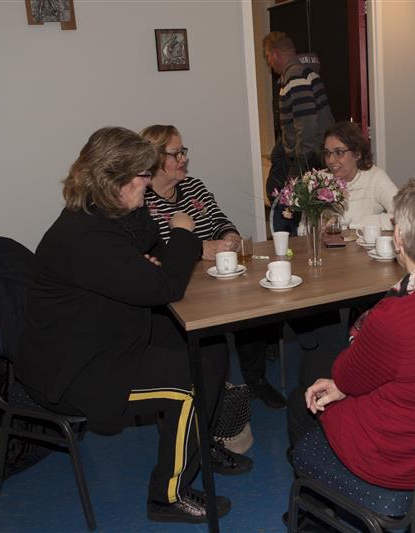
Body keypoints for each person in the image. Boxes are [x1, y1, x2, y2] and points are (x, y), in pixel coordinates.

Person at [16, 127, 250, 525]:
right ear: (116, 182)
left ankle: (197, 442)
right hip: (77, 367)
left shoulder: (104, 213)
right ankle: (167, 496)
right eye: (143, 175)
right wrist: (183, 233)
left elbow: (147, 246)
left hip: (106, 334)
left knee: (207, 347)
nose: (150, 180)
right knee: (190, 384)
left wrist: (149, 247)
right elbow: (165, 286)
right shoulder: (86, 235)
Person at [287, 175, 415, 494]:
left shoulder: (396, 315)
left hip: (400, 459)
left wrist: (340, 385)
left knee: (302, 399)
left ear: (398, 236)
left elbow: (346, 377)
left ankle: (314, 505)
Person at [141, 124, 286, 409]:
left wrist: (230, 236)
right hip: (180, 291)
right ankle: (208, 396)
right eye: (176, 153)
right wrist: (199, 249)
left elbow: (219, 219)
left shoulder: (194, 186)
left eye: (183, 151)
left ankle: (255, 380)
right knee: (211, 344)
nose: (183, 158)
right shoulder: (141, 201)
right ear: (154, 158)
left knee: (253, 306)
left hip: (219, 278)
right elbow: (153, 251)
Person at [263, 31, 335, 235]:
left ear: (275, 54)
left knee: (291, 206)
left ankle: (293, 242)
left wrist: (300, 157)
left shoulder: (294, 76)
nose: (269, 63)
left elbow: (307, 121)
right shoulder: (305, 73)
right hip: (310, 151)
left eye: (268, 57)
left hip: (307, 156)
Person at [321, 121, 398, 231]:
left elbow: (404, 216)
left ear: (357, 153)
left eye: (339, 152)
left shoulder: (375, 178)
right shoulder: (319, 180)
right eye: (327, 153)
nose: (331, 160)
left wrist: (349, 223)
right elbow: (302, 229)